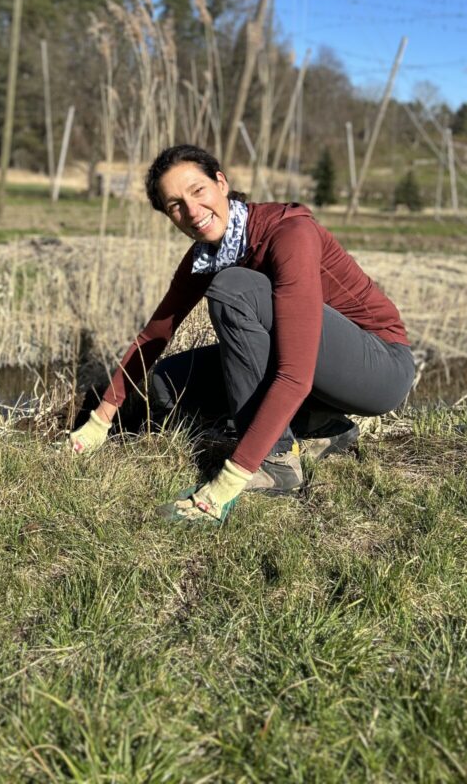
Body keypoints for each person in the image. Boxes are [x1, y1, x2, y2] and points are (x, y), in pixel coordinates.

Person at [65, 144, 415, 525]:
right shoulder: (206, 255)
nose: (192, 212)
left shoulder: (289, 233)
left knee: (233, 287)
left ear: (221, 182)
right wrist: (100, 420)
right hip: (315, 365)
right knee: (167, 385)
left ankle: (277, 462)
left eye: (198, 191)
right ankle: (323, 425)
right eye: (175, 205)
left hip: (379, 367)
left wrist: (228, 481)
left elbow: (295, 372)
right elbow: (155, 335)